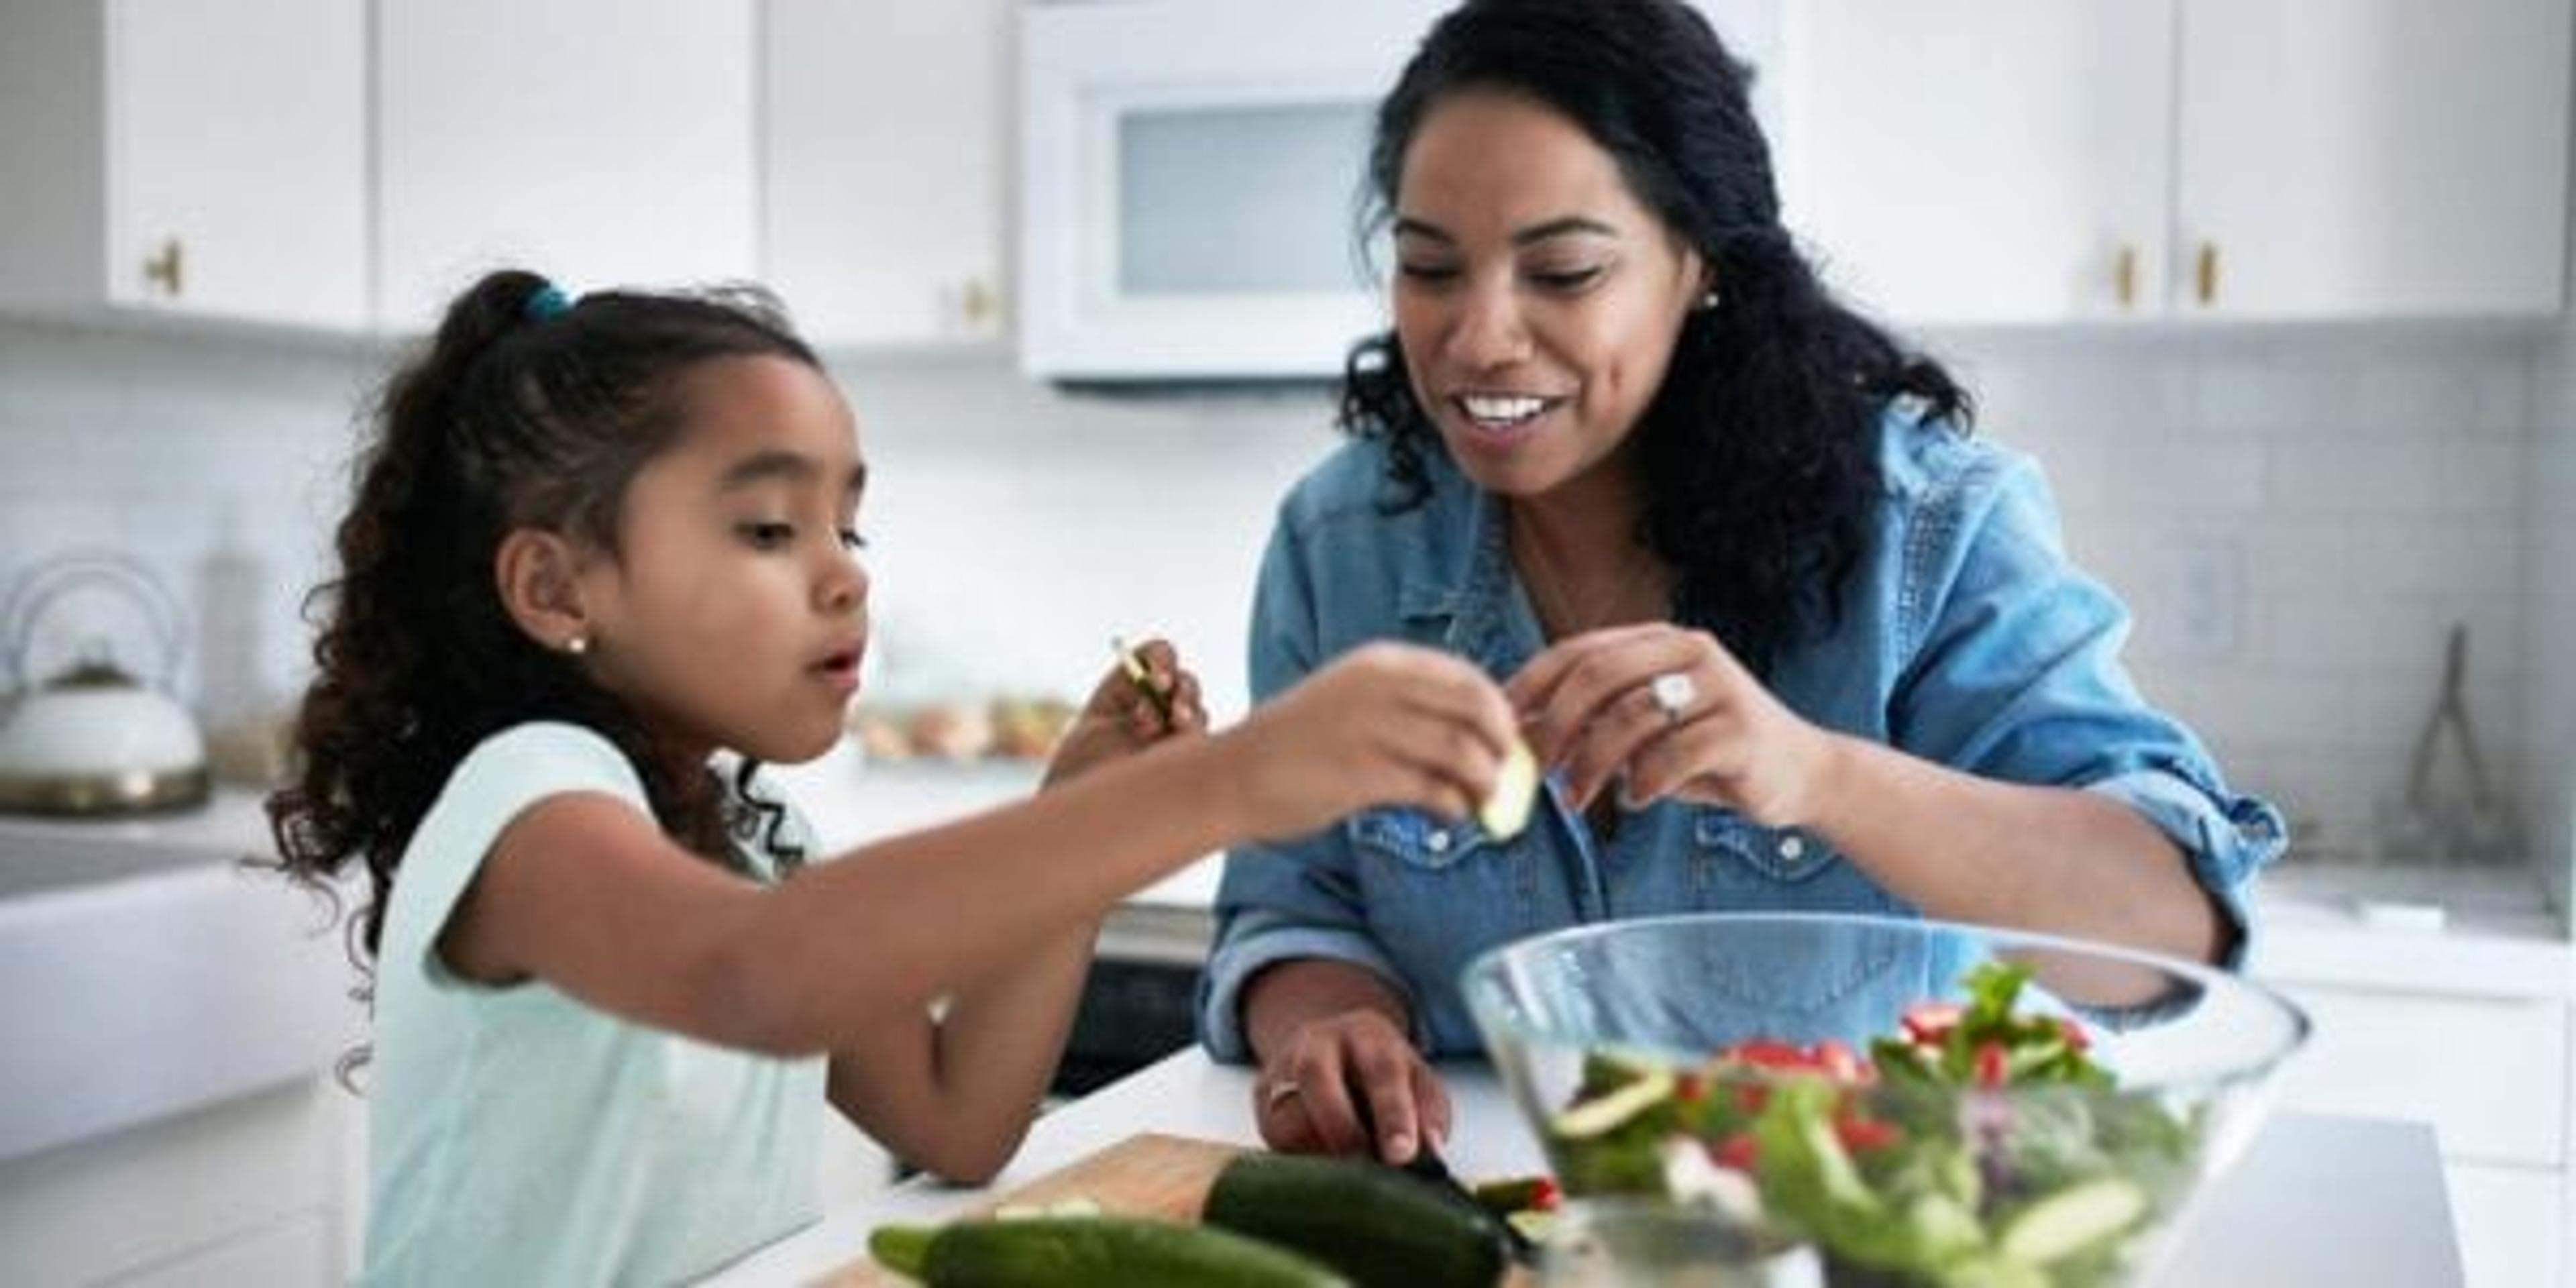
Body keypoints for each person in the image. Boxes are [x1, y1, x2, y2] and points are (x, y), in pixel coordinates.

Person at [264, 269, 1522, 1285]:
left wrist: (1080, 816)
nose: (845, 573)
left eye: (847, 524)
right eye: (769, 528)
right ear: (554, 589)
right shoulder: (531, 800)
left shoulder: (754, 840)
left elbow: (956, 1120)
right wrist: (1230, 783)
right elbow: (754, 974)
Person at [1197, 0, 2288, 1167]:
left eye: (1563, 271)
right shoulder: (1342, 542)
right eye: (1428, 268)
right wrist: (1334, 1020)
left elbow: (2176, 931)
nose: (1478, 337)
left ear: (1698, 263)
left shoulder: (1927, 528)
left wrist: (1817, 774)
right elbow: (1295, 905)